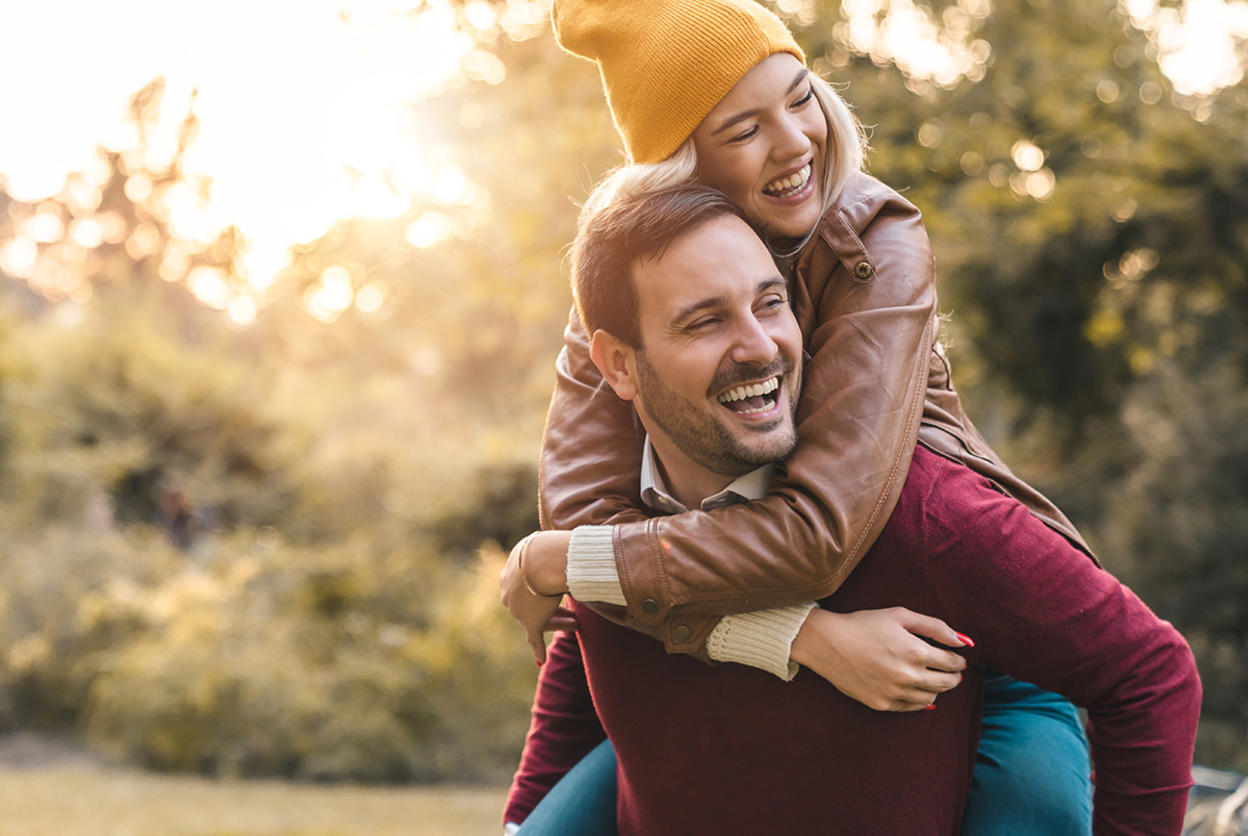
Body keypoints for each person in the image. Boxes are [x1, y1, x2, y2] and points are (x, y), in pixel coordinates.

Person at [498, 0, 1131, 833]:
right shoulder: (627, 289)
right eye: (742, 129)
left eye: (799, 97)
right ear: (682, 168)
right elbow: (600, 533)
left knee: (1037, 808)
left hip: (952, 619)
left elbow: (818, 534)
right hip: (731, 610)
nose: (797, 142)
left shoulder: (873, 238)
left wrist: (550, 561)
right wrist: (800, 637)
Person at [507, 182, 1199, 834]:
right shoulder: (604, 527)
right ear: (619, 366)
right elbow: (593, 666)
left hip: (995, 705)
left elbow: (1149, 674)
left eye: (770, 303)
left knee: (1036, 794)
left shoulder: (925, 514)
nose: (758, 347)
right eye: (704, 321)